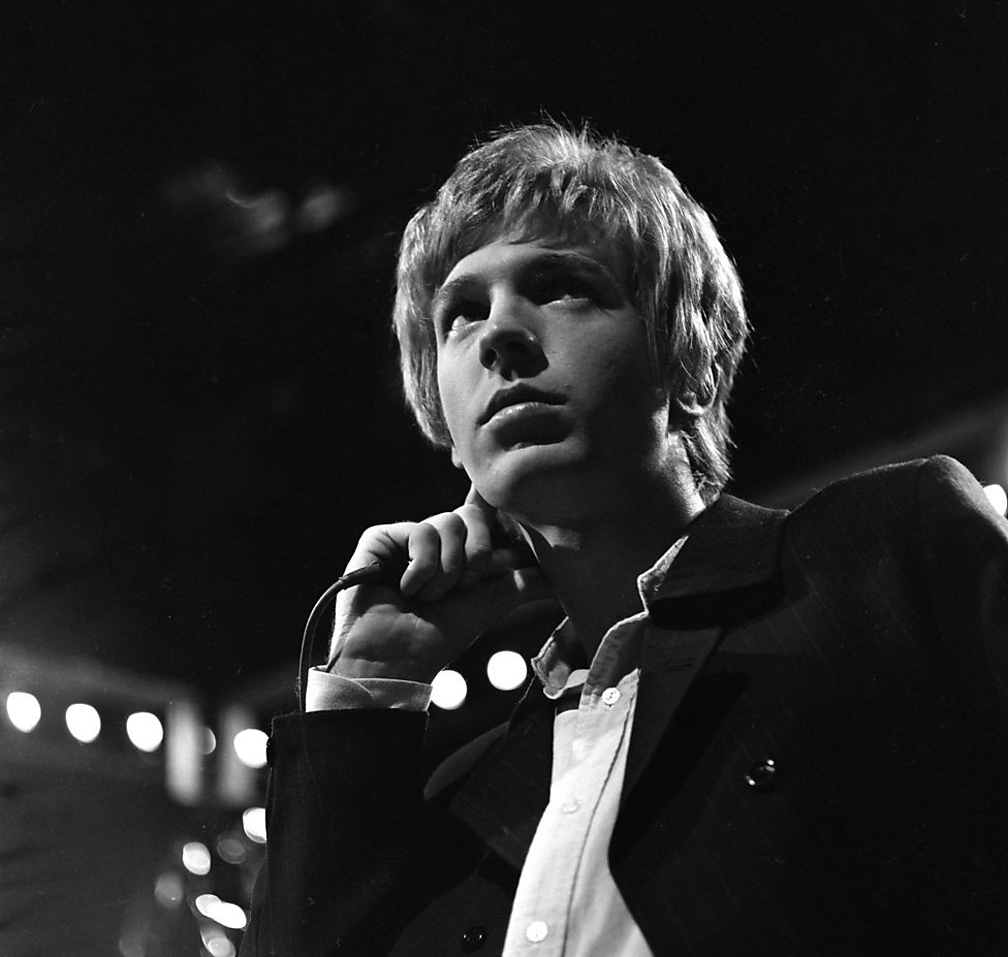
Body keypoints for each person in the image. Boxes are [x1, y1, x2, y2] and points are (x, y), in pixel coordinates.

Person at [240, 123, 1008, 957]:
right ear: (447, 426)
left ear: (692, 363)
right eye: (460, 313)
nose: (498, 333)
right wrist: (364, 688)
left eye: (562, 286)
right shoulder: (465, 792)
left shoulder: (885, 555)